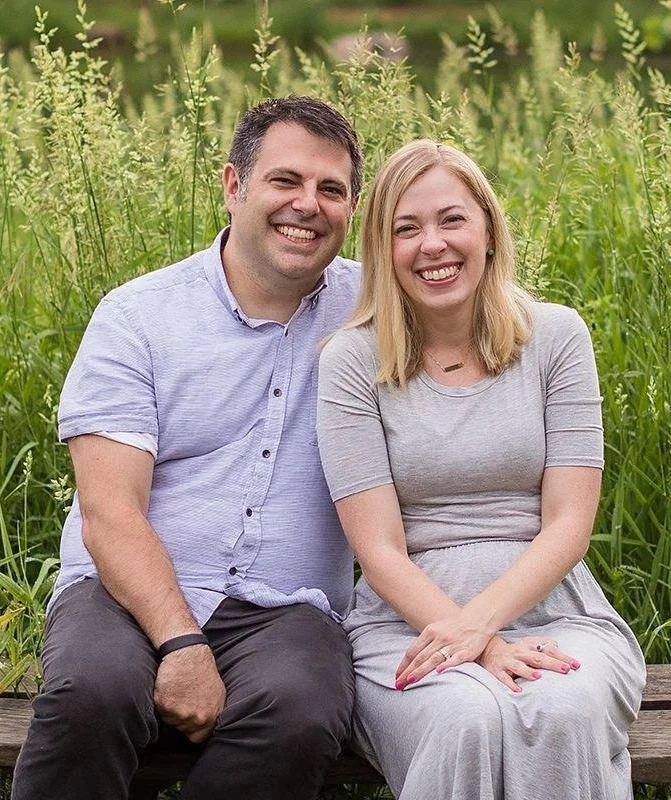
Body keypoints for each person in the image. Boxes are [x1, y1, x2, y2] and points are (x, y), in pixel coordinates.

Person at [12, 96, 363, 800]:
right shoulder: (137, 316)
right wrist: (179, 642)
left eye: (331, 190)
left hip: (286, 608)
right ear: (233, 186)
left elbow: (486, 319)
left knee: (299, 709)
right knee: (95, 692)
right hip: (122, 592)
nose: (308, 205)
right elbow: (108, 511)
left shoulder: (375, 312)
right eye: (285, 181)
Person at [317, 139, 646, 800]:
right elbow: (376, 549)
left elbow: (569, 523)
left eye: (450, 220)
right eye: (405, 228)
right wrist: (475, 642)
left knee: (561, 709)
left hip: (557, 611)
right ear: (383, 252)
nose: (431, 244)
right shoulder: (350, 362)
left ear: (489, 231)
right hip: (407, 626)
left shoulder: (556, 338)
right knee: (463, 717)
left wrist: (481, 624)